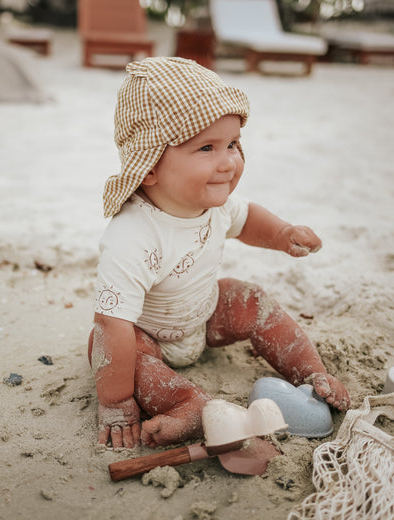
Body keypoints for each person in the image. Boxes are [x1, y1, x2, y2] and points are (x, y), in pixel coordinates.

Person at [88, 57, 350, 450]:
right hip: (148, 334)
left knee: (251, 299)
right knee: (108, 348)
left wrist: (281, 233)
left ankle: (312, 375)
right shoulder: (133, 236)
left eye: (232, 144)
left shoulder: (215, 203)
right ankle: (189, 404)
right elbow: (115, 325)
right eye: (207, 147)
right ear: (148, 166)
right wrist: (116, 402)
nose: (228, 162)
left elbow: (246, 220)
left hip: (203, 314)